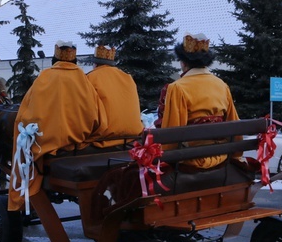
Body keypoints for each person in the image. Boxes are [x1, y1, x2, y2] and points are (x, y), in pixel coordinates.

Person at [8, 41, 107, 212]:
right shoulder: (84, 79)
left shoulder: (45, 77)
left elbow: (25, 115)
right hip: (77, 143)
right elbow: (97, 117)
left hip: (47, 145)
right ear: (74, 60)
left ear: (55, 58)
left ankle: (20, 194)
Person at [160, 33, 241, 169]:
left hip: (191, 158)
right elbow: (234, 123)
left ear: (183, 62)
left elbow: (171, 133)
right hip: (220, 155)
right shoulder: (222, 85)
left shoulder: (177, 87)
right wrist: (236, 154)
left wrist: (165, 158)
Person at [85, 45, 143, 148]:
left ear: (95, 64)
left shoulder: (90, 78)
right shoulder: (127, 77)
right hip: (132, 136)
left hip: (105, 139)